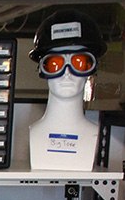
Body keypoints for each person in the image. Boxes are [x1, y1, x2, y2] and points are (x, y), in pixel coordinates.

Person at [28, 9, 107, 171]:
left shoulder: (94, 133)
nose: (67, 73)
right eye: (55, 64)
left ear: (91, 69)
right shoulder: (33, 134)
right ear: (43, 69)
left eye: (79, 62)